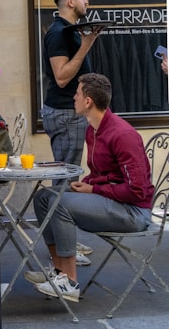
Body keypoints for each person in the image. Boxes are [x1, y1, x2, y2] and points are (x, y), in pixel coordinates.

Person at [25, 73, 153, 303]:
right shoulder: (92, 130)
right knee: (44, 196)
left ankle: (69, 281)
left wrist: (93, 191)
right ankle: (58, 270)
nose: (73, 97)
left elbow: (138, 191)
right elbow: (104, 174)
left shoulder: (122, 135)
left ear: (88, 101)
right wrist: (89, 183)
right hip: (112, 202)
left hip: (133, 212)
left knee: (59, 202)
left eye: (77, 93)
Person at [42, 0, 101, 168]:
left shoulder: (69, 31)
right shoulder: (59, 33)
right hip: (66, 113)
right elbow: (61, 77)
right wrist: (85, 46)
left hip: (70, 113)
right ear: (70, 1)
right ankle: (52, 200)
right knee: (66, 178)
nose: (87, 1)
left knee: (67, 175)